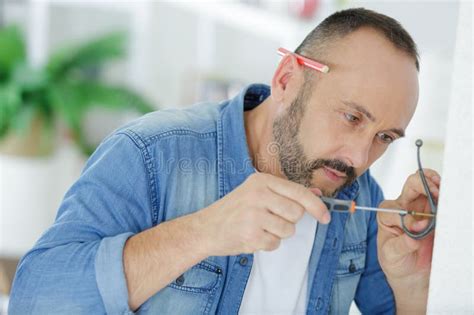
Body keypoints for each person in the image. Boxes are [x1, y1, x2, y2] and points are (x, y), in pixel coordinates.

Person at [9, 7, 441, 315]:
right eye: (351, 117)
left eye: (384, 137)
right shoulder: (150, 154)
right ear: (288, 79)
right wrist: (202, 233)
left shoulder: (356, 193)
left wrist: (413, 287)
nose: (359, 157)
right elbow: (35, 300)